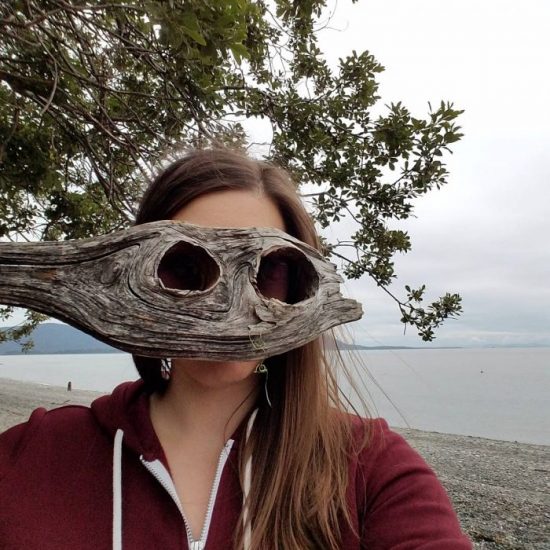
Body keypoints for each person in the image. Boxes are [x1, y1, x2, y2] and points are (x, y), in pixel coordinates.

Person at [0, 147, 472, 549]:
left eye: (268, 269)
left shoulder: (369, 468)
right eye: (183, 266)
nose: (227, 303)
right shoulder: (34, 454)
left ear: (298, 286)